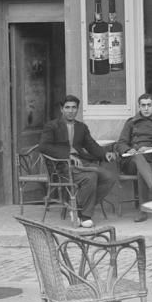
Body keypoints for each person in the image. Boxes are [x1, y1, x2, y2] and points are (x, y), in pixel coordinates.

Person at [38, 95, 117, 228]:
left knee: (109, 177)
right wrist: (67, 155)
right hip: (61, 167)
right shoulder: (52, 126)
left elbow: (91, 145)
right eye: (67, 107)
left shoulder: (81, 127)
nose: (71, 111)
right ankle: (85, 215)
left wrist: (105, 154)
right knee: (91, 177)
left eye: (74, 108)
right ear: (61, 109)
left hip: (81, 163)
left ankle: (76, 207)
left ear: (77, 109)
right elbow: (44, 147)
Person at [114, 93, 152, 222]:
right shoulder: (131, 123)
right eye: (143, 105)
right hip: (130, 162)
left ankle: (143, 210)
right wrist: (129, 149)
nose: (146, 108)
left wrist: (151, 148)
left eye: (149, 105)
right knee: (138, 157)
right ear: (139, 107)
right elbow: (121, 143)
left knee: (143, 169)